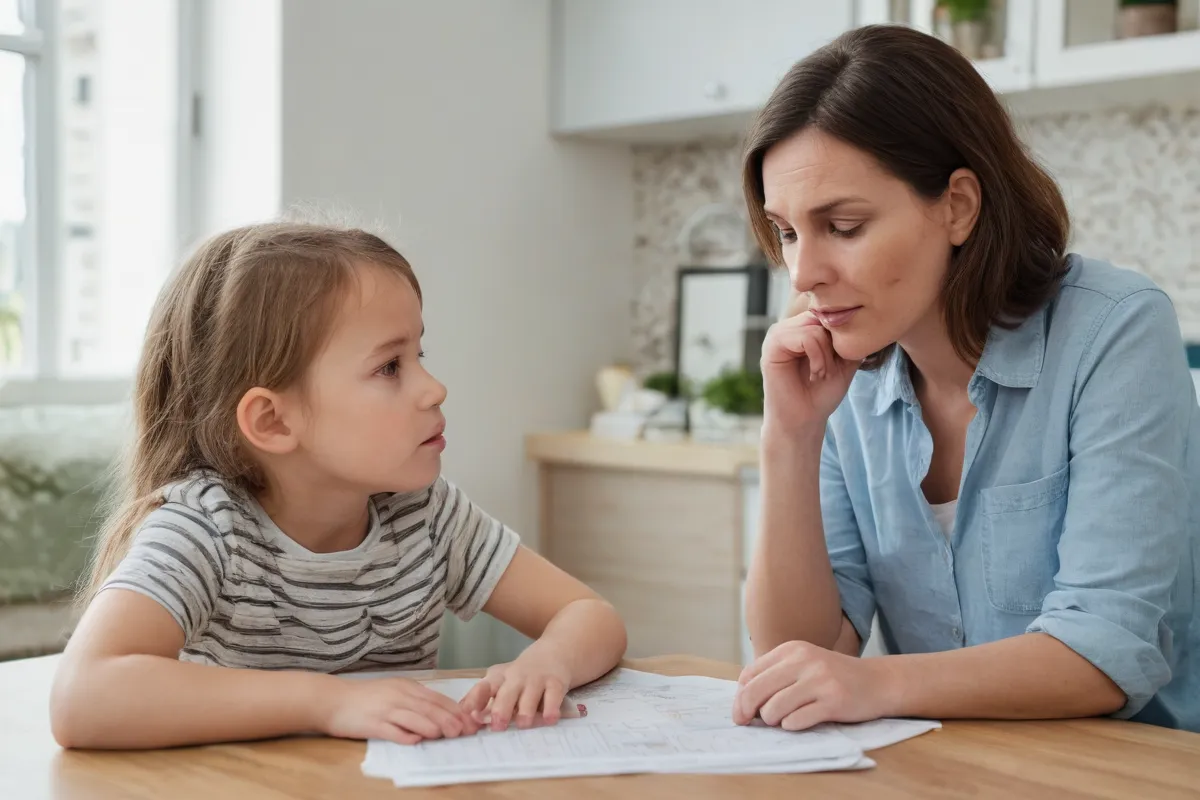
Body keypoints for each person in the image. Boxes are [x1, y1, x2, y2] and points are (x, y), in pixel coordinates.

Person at [735, 24, 1199, 733]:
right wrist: (790, 438)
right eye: (789, 232)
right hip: (955, 769)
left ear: (957, 205)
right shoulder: (847, 372)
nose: (802, 274)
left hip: (1135, 767)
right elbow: (802, 654)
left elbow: (1105, 650)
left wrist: (872, 683)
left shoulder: (1115, 330)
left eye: (846, 226)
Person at [49, 221, 627, 749]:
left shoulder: (425, 515)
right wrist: (325, 701)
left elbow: (589, 613)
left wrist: (548, 661)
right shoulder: (205, 529)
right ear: (274, 422)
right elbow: (83, 696)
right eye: (389, 367)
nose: (434, 389)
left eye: (418, 353)